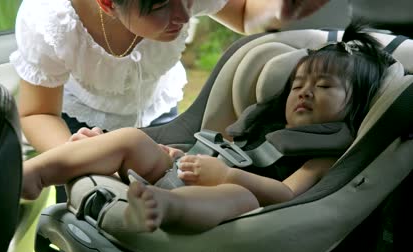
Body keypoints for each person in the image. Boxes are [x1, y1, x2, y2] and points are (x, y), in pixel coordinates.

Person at [22, 20, 391, 233]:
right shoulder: (265, 125)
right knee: (133, 139)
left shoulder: (323, 155)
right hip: (189, 169)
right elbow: (217, 148)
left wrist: (228, 177)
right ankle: (33, 173)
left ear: (355, 104)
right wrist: (178, 156)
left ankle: (160, 208)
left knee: (239, 197)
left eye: (324, 87)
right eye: (297, 85)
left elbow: (287, 195)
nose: (305, 92)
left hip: (237, 203)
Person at [11, 0, 330, 201]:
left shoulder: (184, 4)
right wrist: (79, 152)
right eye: (162, 4)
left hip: (158, 112)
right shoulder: (51, 21)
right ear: (108, 3)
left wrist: (288, 8)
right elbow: (38, 112)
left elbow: (246, 12)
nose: (185, 15)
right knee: (88, 201)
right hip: (75, 126)